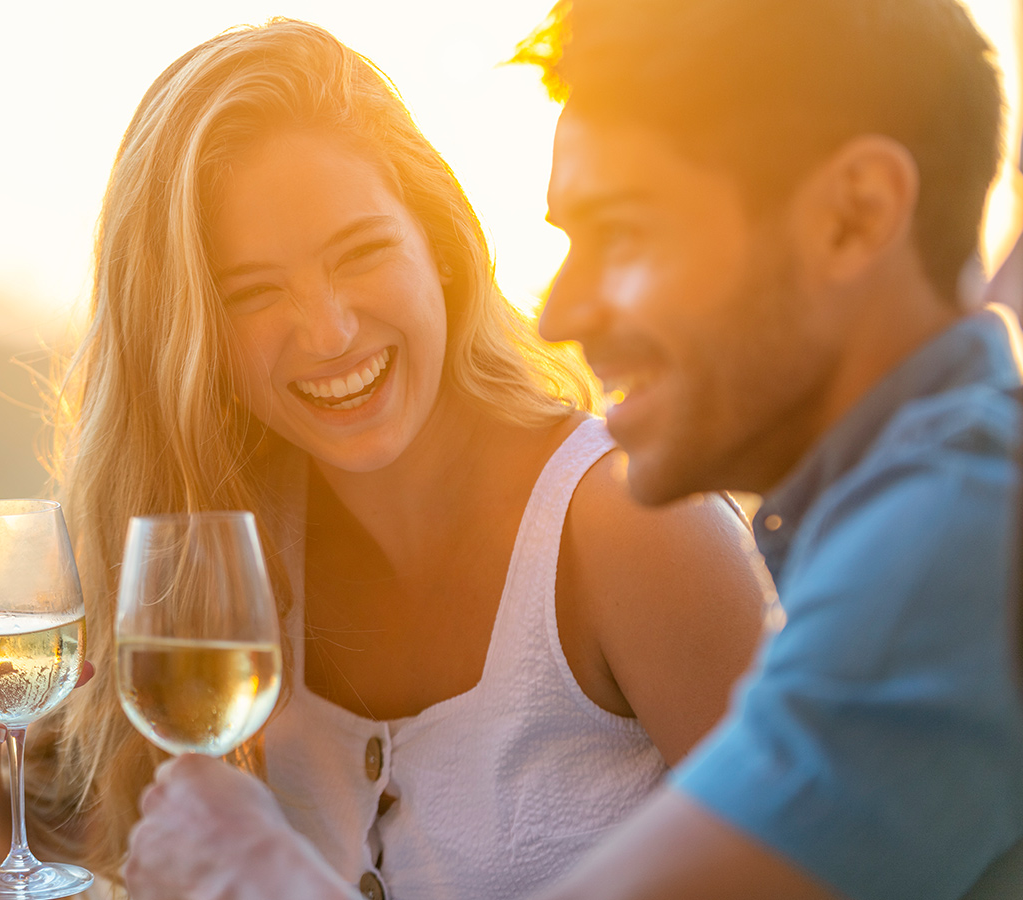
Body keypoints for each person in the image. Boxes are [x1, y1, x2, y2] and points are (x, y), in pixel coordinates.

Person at [120, 1, 1023, 899]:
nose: (562, 314)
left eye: (624, 235)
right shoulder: (899, 528)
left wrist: (258, 878)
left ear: (853, 218)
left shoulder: (952, 553)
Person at [0, 19, 769, 900]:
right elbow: (1, 870)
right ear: (192, 338)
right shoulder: (214, 548)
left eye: (363, 252)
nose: (331, 331)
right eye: (255, 292)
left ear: (441, 246)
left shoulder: (633, 524)